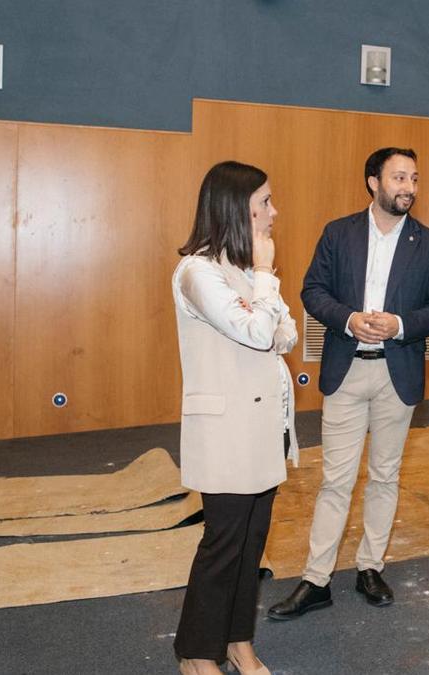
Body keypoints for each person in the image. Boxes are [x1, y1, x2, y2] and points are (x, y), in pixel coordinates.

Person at [268, 147, 429, 620]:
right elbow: (313, 290)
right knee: (336, 480)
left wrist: (400, 325)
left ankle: (370, 567)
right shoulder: (338, 233)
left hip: (399, 372)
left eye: (414, 178)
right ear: (373, 182)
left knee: (386, 475)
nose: (408, 187)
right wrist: (349, 319)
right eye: (398, 177)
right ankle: (316, 579)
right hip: (346, 370)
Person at [172, 160, 298, 675]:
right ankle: (196, 651)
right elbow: (256, 333)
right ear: (233, 210)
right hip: (224, 435)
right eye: (264, 203)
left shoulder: (246, 272)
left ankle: (237, 641)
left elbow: (285, 333)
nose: (274, 212)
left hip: (263, 430)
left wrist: (261, 290)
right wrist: (265, 281)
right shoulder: (197, 273)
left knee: (252, 547)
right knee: (222, 546)